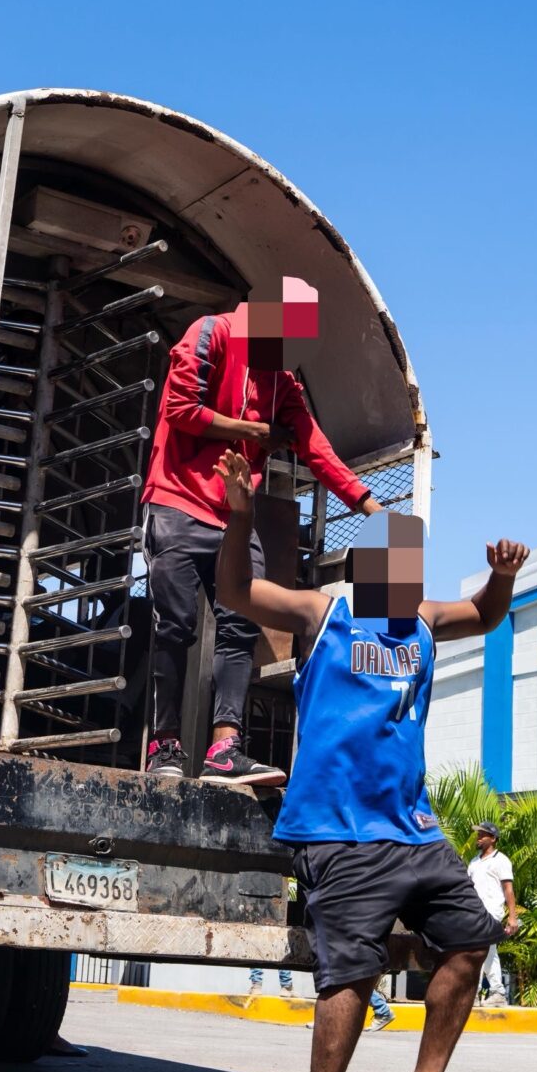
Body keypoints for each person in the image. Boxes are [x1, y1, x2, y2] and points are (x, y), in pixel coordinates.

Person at [212, 448, 527, 1072]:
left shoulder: (419, 620)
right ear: (364, 569)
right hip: (338, 825)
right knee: (354, 967)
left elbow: (482, 613)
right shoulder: (323, 613)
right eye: (393, 568)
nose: (406, 582)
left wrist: (503, 578)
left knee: (471, 937)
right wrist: (238, 515)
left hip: (411, 827)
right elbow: (235, 588)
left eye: (413, 569)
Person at [141, 276, 385, 787]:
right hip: (178, 501)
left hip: (233, 515)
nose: (291, 354)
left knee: (240, 623)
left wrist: (371, 507)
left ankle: (225, 748)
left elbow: (316, 449)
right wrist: (247, 430)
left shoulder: (284, 384)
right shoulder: (211, 333)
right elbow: (177, 409)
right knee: (175, 626)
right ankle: (164, 744)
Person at [467, 821, 522, 1003]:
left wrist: (512, 917)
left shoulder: (501, 860)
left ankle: (476, 993)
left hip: (492, 912)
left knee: (479, 950)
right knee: (486, 950)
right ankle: (497, 992)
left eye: (483, 834)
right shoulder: (474, 862)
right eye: (478, 834)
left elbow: (508, 889)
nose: (479, 837)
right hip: (474, 913)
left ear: (493, 838)